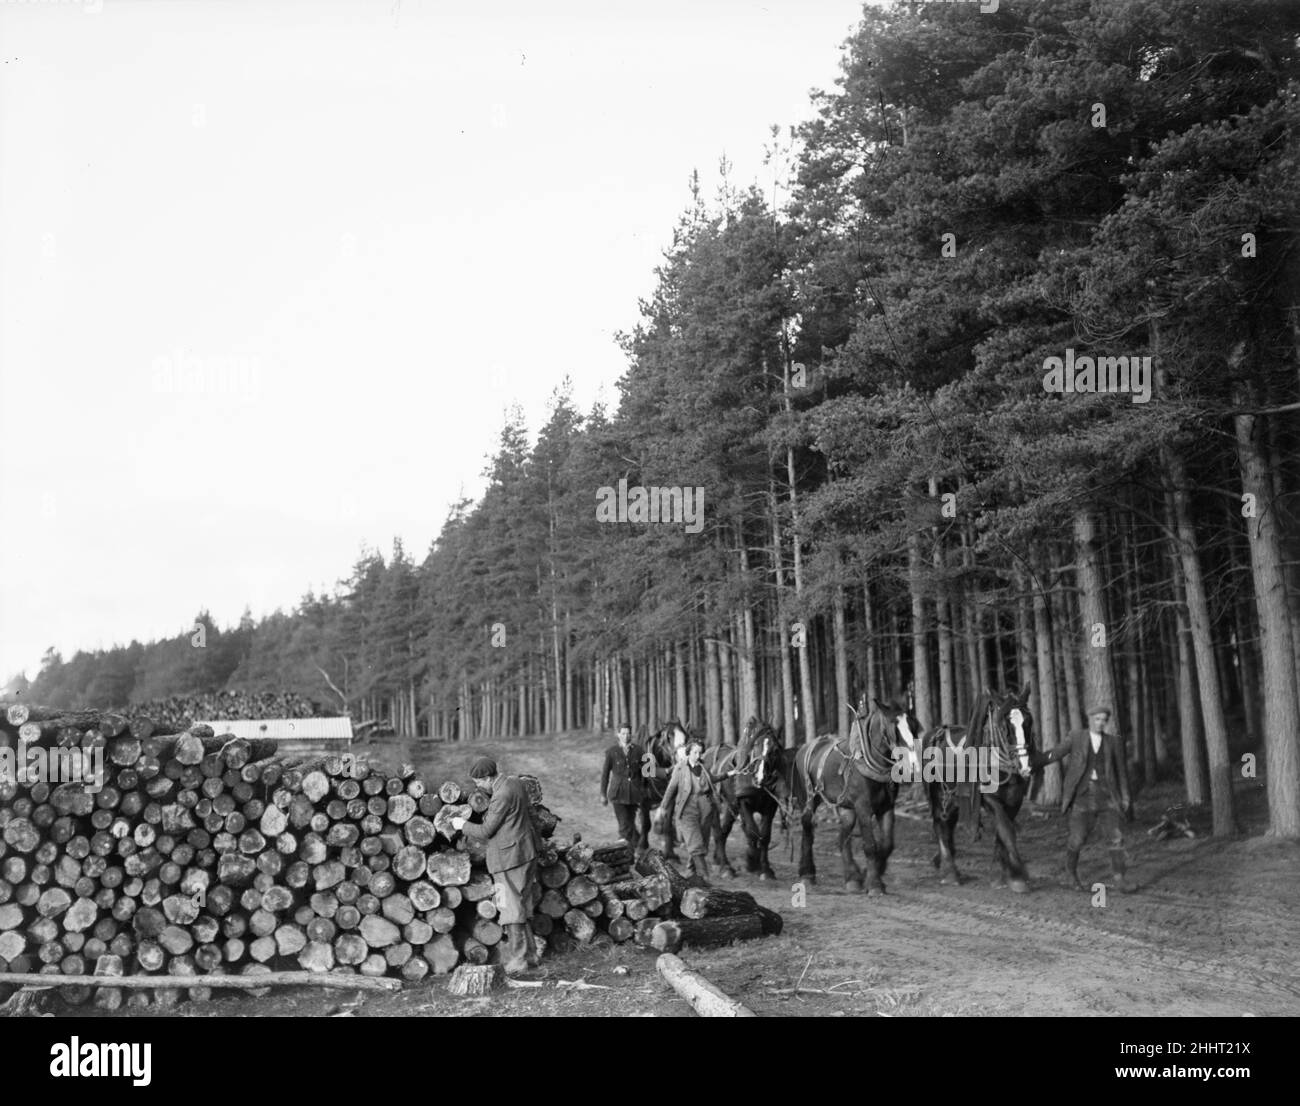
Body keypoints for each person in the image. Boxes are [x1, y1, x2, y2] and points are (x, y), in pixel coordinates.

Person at [451, 757, 541, 973]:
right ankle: (530, 956)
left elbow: (485, 831)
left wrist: (462, 825)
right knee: (521, 906)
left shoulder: (501, 795)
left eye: (479, 782)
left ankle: (519, 960)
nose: (478, 787)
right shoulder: (515, 783)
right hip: (525, 852)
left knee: (511, 908)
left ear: (488, 778)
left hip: (509, 858)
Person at [1033, 705, 1135, 894]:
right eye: (1097, 719)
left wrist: (1125, 797)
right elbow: (1055, 753)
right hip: (1082, 797)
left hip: (1107, 798)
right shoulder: (1077, 737)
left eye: (1104, 719)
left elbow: (1121, 772)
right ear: (1090, 719)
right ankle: (1070, 874)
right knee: (1077, 839)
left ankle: (1120, 880)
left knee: (1116, 838)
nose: (1101, 723)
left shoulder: (1113, 742)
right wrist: (1033, 762)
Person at [658, 738, 722, 883]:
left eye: (700, 752)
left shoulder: (704, 767)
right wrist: (663, 807)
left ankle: (692, 874)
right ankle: (704, 875)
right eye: (695, 752)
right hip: (686, 808)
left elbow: (713, 779)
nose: (698, 755)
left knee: (703, 842)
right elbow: (671, 789)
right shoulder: (680, 768)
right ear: (688, 753)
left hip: (705, 809)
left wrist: (729, 774)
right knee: (696, 843)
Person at [600, 722, 645, 848]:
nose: (626, 736)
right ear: (618, 735)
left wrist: (644, 790)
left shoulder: (639, 751)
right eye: (623, 733)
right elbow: (605, 775)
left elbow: (647, 773)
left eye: (628, 733)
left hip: (634, 795)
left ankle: (633, 848)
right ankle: (627, 857)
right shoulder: (611, 752)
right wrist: (603, 794)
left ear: (632, 734)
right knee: (624, 826)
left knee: (630, 824)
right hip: (618, 794)